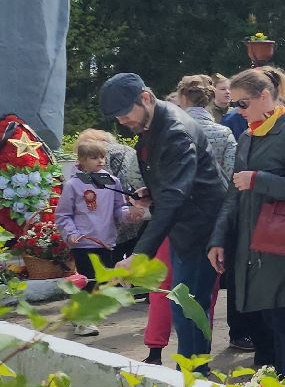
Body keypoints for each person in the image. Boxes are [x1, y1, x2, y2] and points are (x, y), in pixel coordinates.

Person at [100, 72, 227, 361]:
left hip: (199, 232)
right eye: (116, 118)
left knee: (188, 311)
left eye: (124, 113)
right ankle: (193, 377)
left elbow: (175, 198)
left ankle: (194, 381)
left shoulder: (175, 131)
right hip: (187, 226)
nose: (122, 122)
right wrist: (153, 192)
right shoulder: (155, 121)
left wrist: (139, 255)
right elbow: (173, 185)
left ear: (145, 98)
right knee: (185, 309)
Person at [208, 69, 285, 380]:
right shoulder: (248, 135)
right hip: (253, 244)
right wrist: (219, 239)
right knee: (266, 321)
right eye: (233, 105)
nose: (237, 111)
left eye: (242, 104)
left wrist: (259, 180)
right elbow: (234, 193)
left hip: (282, 244)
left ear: (264, 96)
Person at [56, 128, 133, 337]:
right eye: (94, 157)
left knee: (99, 282)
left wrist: (131, 213)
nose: (100, 161)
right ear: (81, 160)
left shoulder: (113, 182)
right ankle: (84, 321)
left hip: (106, 241)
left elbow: (119, 208)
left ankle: (78, 313)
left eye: (102, 157)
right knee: (89, 280)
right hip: (83, 242)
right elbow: (63, 214)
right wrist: (71, 233)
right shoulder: (73, 185)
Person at [174, 75, 237, 182]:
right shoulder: (224, 133)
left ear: (183, 98)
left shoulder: (172, 131)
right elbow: (231, 171)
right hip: (215, 194)